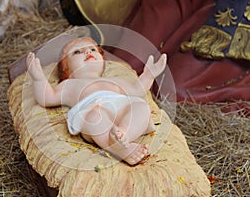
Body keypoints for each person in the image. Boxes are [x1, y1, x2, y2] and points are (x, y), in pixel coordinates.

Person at [26, 37, 167, 165]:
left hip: (122, 111)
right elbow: (47, 98)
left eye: (93, 49)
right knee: (94, 117)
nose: (88, 52)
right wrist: (38, 78)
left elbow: (137, 90)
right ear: (66, 69)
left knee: (140, 105)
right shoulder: (69, 84)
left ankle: (122, 137)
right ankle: (120, 146)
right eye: (77, 52)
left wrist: (148, 75)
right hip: (95, 113)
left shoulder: (115, 80)